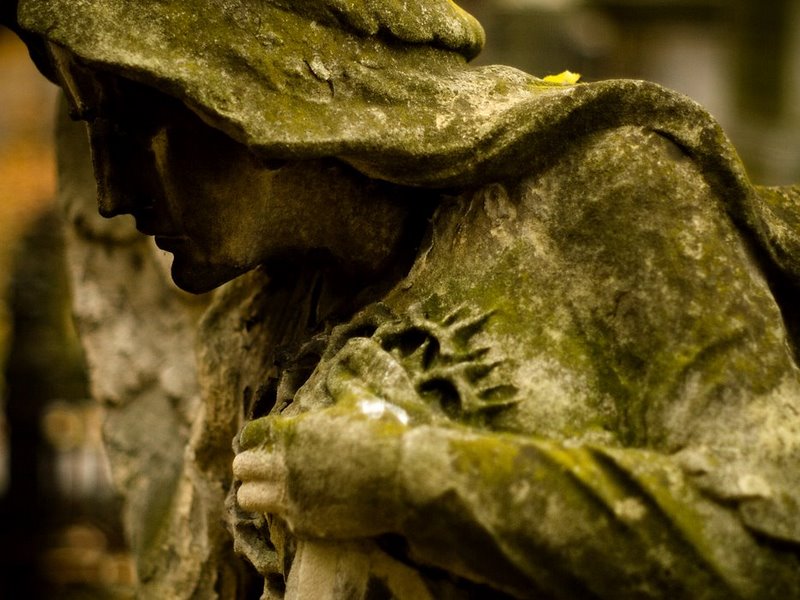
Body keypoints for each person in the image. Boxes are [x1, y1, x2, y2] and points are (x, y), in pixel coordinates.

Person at [7, 0, 800, 597]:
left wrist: (408, 479)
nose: (110, 191)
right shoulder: (253, 325)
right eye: (93, 131)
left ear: (247, 86)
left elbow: (771, 530)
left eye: (133, 125)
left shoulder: (610, 190)